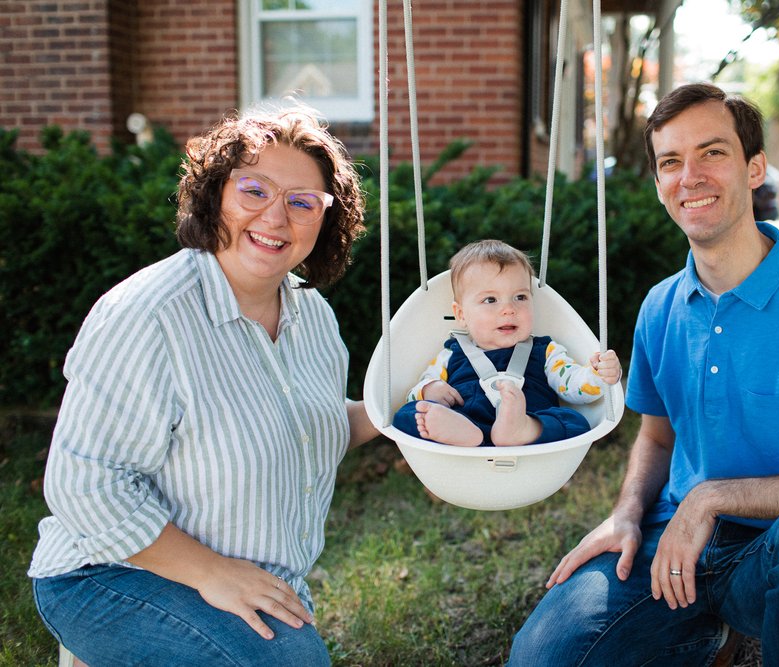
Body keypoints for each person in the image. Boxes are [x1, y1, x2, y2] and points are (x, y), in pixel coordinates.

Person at [508, 83, 779, 666]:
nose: (689, 176)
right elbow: (657, 435)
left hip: (776, 554)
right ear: (660, 185)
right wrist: (625, 514)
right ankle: (699, 639)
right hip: (672, 543)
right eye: (671, 162)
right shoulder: (659, 306)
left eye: (712, 153)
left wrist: (714, 498)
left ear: (754, 169)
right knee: (540, 657)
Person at [29, 107, 379, 666]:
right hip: (109, 572)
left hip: (245, 578)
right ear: (216, 193)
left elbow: (308, 422)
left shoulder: (312, 316)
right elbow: (83, 484)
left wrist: (397, 412)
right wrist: (211, 573)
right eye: (254, 189)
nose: (275, 216)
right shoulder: (147, 315)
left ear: (326, 220)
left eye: (302, 202)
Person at [392, 240, 621, 447]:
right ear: (461, 314)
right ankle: (462, 432)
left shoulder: (545, 351)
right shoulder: (451, 355)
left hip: (530, 430)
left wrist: (597, 375)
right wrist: (430, 389)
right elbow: (415, 393)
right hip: (466, 422)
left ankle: (519, 429)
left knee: (576, 422)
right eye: (490, 300)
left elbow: (573, 387)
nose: (509, 309)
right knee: (408, 414)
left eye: (520, 297)